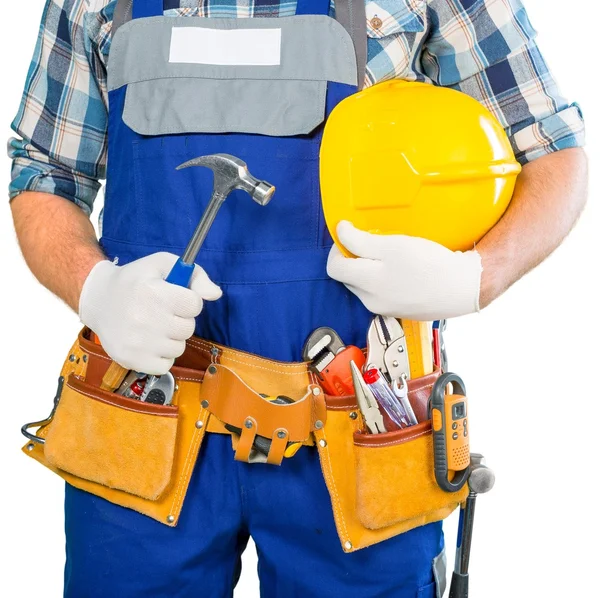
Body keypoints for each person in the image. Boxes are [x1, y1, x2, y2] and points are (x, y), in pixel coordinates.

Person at [8, 0, 587, 596]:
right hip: (142, 418)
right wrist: (95, 287)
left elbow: (553, 150)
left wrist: (476, 277)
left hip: (357, 422)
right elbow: (43, 172)